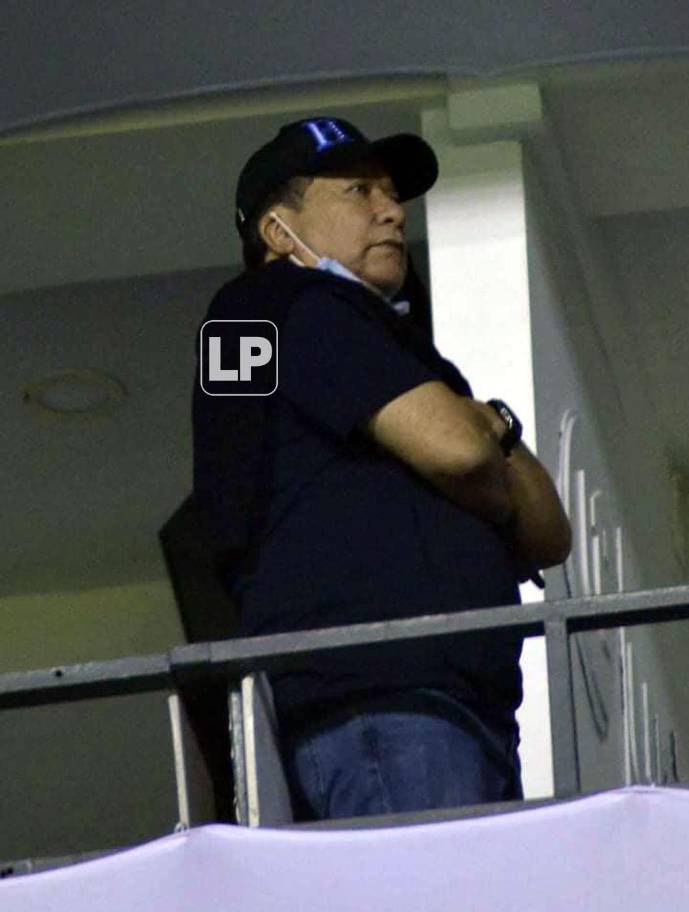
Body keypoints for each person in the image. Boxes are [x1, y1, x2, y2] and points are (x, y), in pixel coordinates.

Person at [192, 116, 571, 822]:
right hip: (384, 702)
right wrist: (481, 437)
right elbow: (457, 449)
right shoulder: (269, 305)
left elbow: (550, 534)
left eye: (392, 194)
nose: (392, 211)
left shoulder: (390, 344)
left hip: (462, 707)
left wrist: (486, 436)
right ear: (279, 233)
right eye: (359, 190)